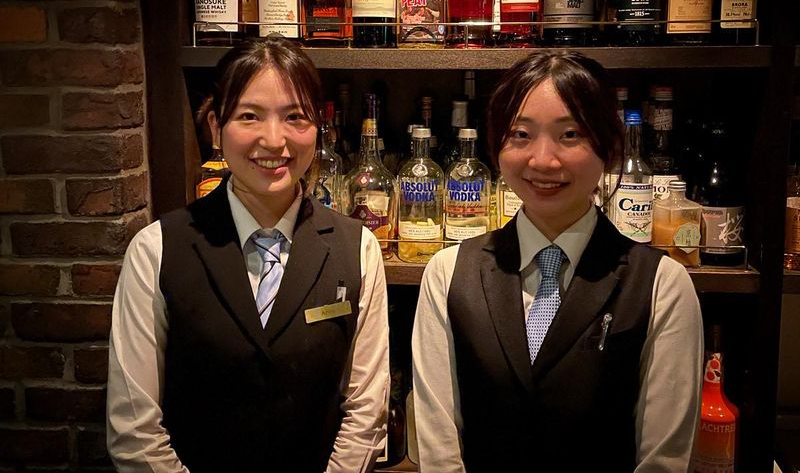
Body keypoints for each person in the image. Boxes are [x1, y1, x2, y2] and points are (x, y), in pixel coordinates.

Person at [107, 37, 389, 473]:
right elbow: (134, 430)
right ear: (216, 128)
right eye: (249, 116)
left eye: (295, 117)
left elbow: (366, 413)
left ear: (319, 128)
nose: (274, 141)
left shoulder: (358, 248)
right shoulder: (156, 249)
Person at [412, 51, 703, 472]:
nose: (543, 160)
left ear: (608, 146)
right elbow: (440, 452)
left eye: (570, 135)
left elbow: (662, 460)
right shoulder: (448, 273)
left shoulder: (662, 285)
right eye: (520, 134)